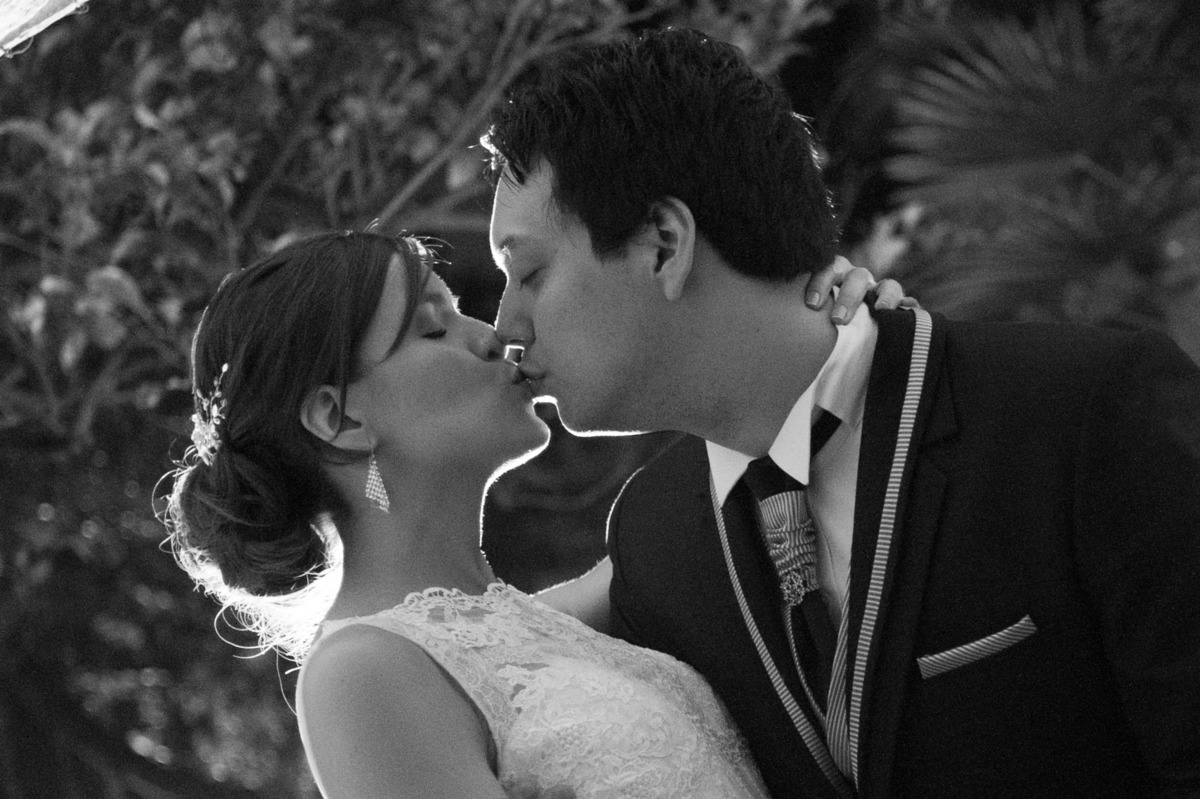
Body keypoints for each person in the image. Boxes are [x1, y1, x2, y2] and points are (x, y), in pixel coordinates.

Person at [483, 27, 1200, 799]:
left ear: (664, 243)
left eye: (529, 272)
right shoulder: (655, 536)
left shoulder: (1082, 412)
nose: (504, 327)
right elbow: (451, 653)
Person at [162, 230, 896, 798]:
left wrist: (838, 346)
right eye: (432, 328)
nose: (492, 336)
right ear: (341, 418)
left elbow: (738, 503)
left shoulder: (548, 621)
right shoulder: (359, 675)